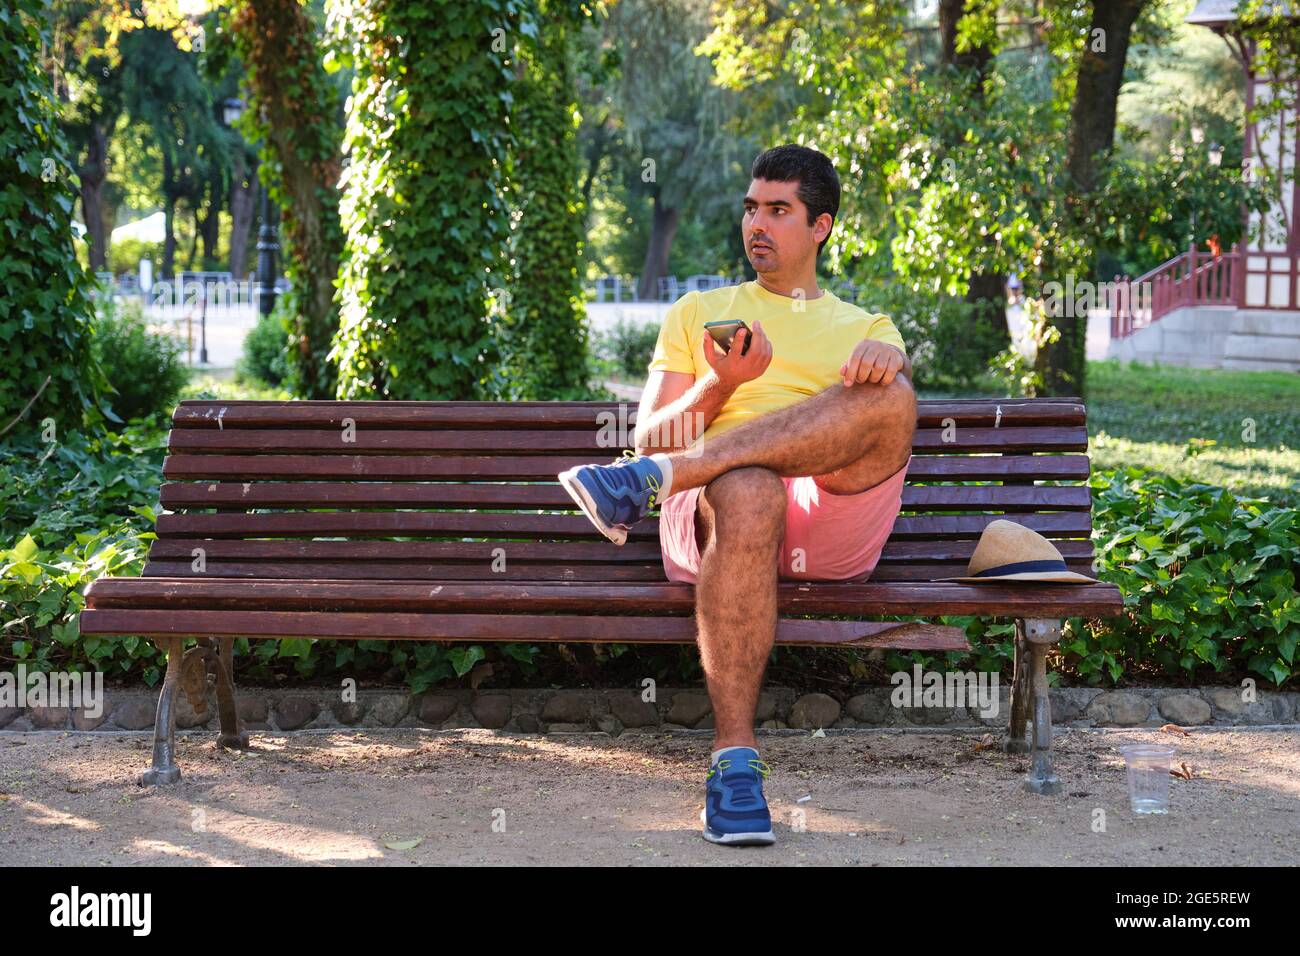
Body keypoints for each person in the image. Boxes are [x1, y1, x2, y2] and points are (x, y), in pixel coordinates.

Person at [559, 144, 915, 847]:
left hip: (828, 518)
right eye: (752, 207)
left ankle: (644, 487)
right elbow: (654, 429)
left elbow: (885, 423)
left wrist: (888, 362)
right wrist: (720, 385)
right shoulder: (700, 312)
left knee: (893, 398)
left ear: (822, 226)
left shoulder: (866, 326)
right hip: (721, 522)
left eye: (779, 210)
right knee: (750, 486)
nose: (758, 223)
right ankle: (734, 765)